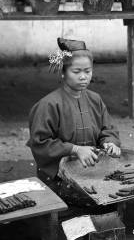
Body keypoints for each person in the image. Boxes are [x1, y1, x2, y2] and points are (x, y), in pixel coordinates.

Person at [27, 38, 121, 207]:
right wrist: (75, 149)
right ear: (63, 72)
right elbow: (40, 143)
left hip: (91, 172)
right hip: (58, 179)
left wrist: (110, 143)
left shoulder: (95, 99)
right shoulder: (48, 105)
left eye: (88, 71)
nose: (83, 77)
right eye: (76, 71)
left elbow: (108, 129)